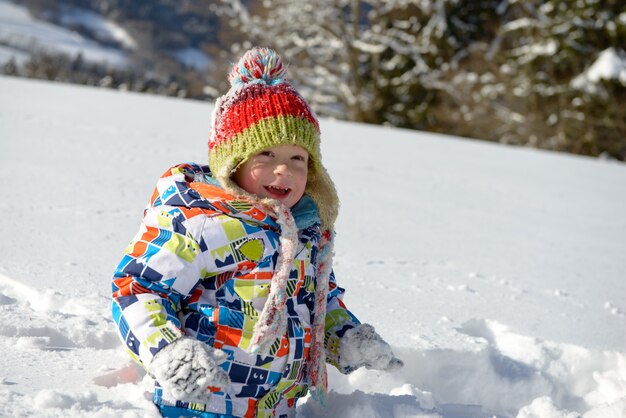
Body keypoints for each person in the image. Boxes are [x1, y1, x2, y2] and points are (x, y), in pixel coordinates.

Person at [111, 47, 402, 418]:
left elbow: (316, 302)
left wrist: (346, 338)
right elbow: (137, 287)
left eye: (297, 159)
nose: (284, 171)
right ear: (233, 162)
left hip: (276, 407)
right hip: (200, 402)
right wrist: (167, 350)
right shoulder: (199, 220)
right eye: (265, 155)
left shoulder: (303, 233)